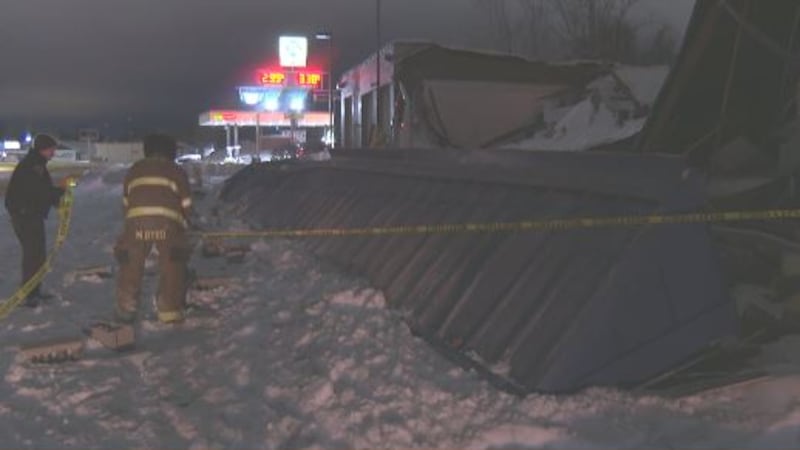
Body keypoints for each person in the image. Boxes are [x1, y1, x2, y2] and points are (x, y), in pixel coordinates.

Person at [114, 133, 193, 324]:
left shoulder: (134, 170)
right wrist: (185, 226)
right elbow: (187, 203)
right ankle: (169, 311)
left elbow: (126, 202)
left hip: (136, 225)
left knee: (130, 264)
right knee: (173, 264)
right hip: (168, 226)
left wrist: (131, 225)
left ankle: (126, 309)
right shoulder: (176, 171)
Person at [4, 134, 66, 307]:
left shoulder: (36, 164)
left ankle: (34, 291)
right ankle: (29, 293)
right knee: (34, 254)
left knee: (37, 254)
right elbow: (38, 191)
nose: (53, 153)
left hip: (29, 214)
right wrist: (59, 193)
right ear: (43, 149)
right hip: (25, 216)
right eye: (51, 149)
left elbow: (41, 190)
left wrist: (57, 196)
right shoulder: (33, 165)